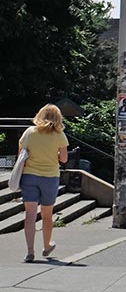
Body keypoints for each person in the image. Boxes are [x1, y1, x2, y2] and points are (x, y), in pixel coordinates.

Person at [18, 104, 69, 263]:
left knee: (30, 215)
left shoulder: (29, 132)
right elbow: (64, 159)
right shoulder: (59, 135)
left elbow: (21, 154)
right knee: (47, 215)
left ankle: (30, 252)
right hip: (50, 177)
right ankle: (46, 246)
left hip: (29, 176)